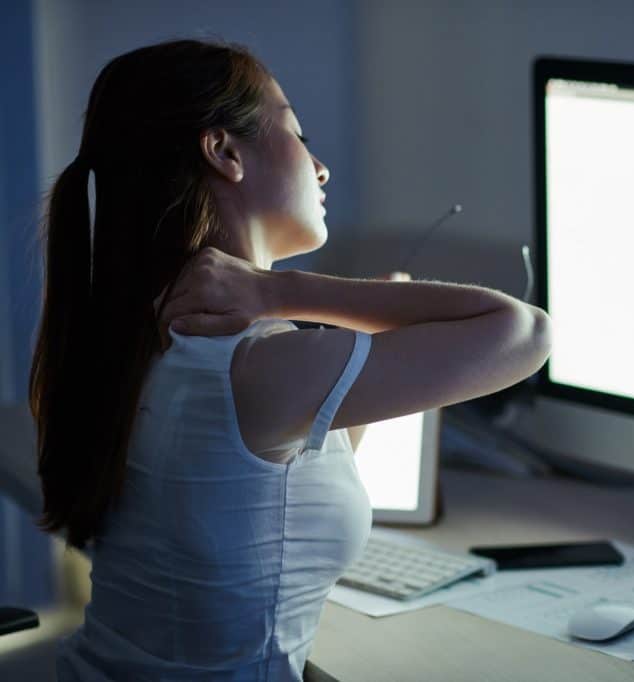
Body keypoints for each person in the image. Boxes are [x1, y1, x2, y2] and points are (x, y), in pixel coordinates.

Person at [29, 38, 551, 681]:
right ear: (224, 152)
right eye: (298, 134)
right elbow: (524, 332)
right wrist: (280, 291)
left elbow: (272, 495)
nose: (321, 168)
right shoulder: (256, 364)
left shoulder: (134, 332)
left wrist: (345, 315)